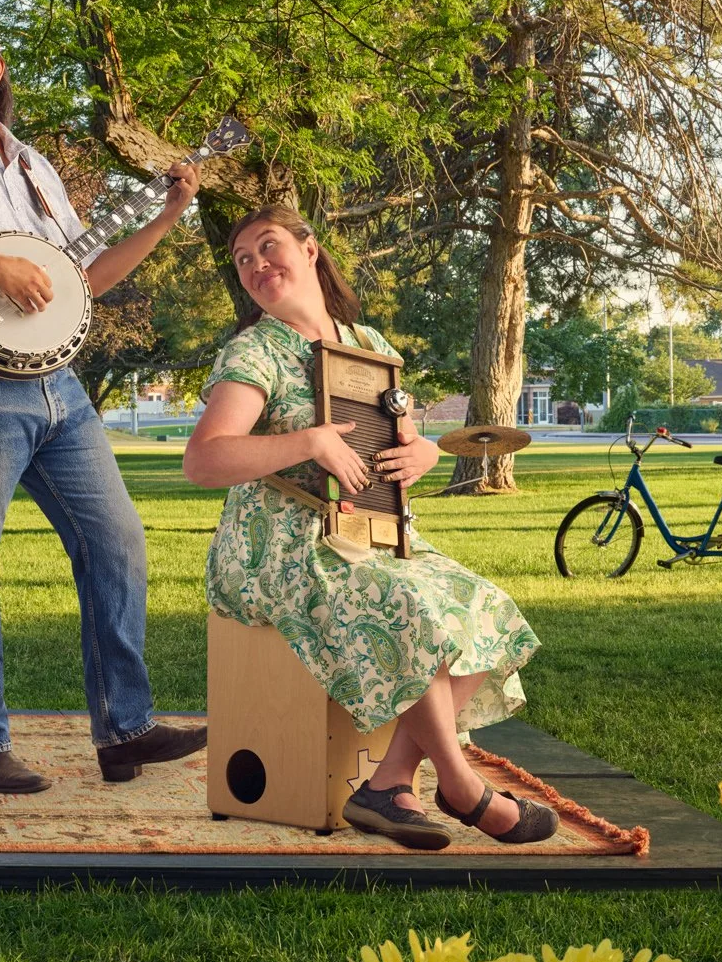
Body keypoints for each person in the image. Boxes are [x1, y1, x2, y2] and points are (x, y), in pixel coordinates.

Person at [0, 11, 208, 794]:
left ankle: (125, 728)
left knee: (116, 540)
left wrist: (165, 217)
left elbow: (83, 278)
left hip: (61, 389)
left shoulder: (34, 168)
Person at [180, 205, 555, 848]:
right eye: (243, 260)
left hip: (374, 535)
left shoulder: (371, 346)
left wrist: (426, 452)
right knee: (408, 607)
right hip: (279, 544)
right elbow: (204, 459)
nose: (256, 265)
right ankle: (462, 786)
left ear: (310, 250)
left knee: (484, 606)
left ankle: (388, 784)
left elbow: (401, 436)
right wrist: (309, 442)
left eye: (269, 248)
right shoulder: (256, 351)